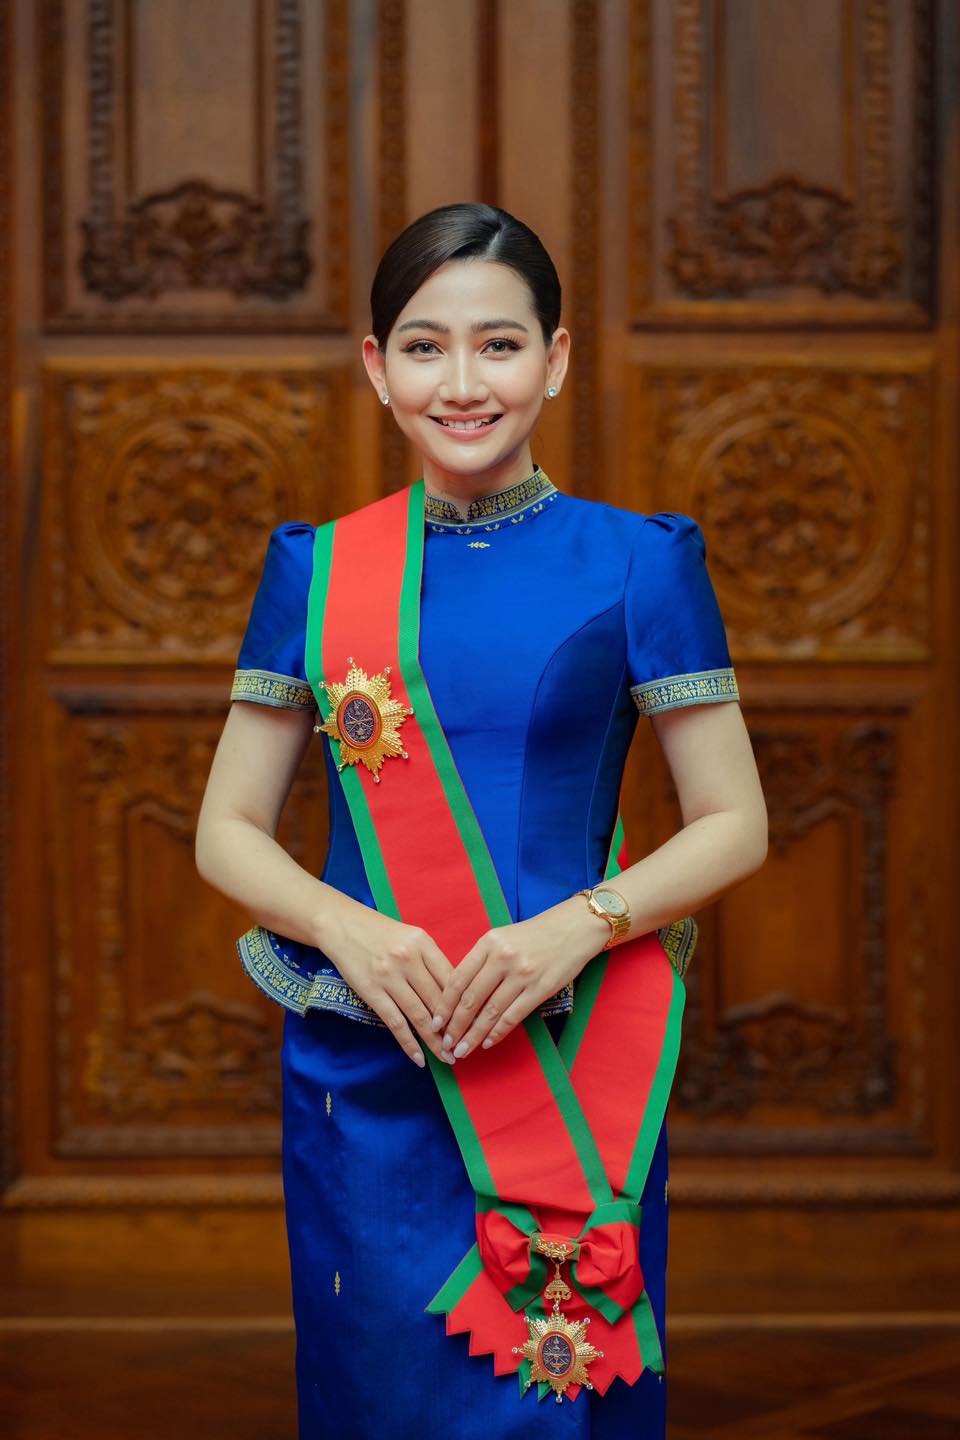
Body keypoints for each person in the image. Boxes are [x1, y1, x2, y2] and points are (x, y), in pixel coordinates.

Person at [195, 201, 767, 1438]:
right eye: (425, 346)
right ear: (377, 366)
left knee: (557, 1394)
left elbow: (735, 820)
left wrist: (575, 928)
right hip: (370, 1048)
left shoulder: (639, 562)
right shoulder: (318, 570)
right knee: (376, 1393)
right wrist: (348, 929)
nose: (462, 384)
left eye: (500, 345)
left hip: (571, 1042)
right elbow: (226, 827)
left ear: (555, 360)